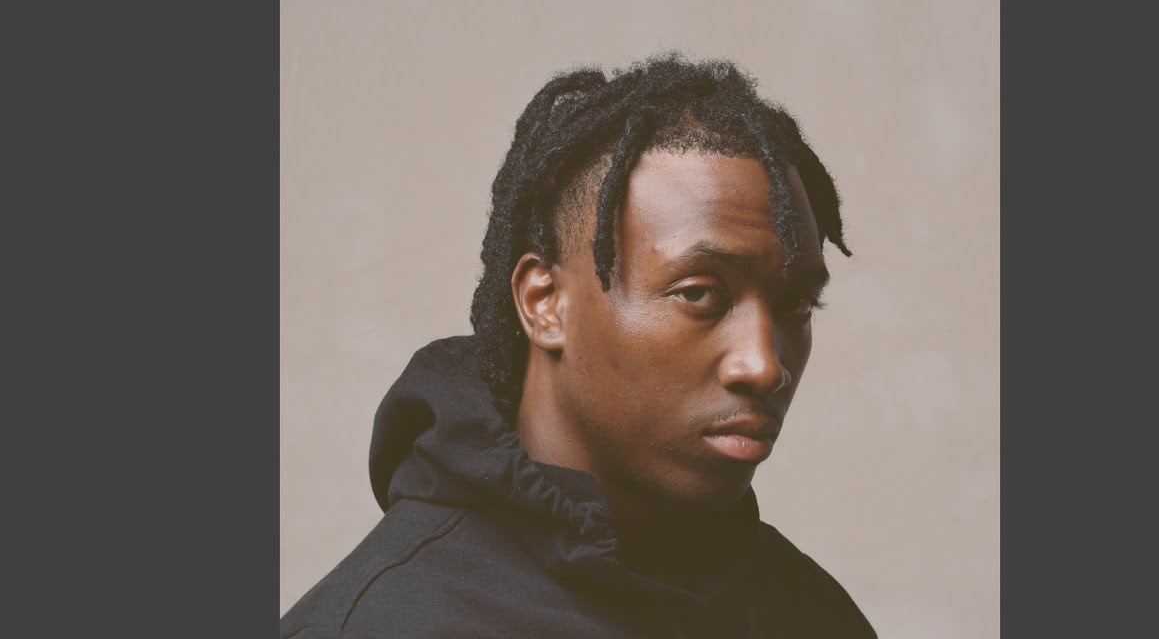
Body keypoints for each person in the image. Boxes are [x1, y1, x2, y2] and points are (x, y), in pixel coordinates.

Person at [281, 55, 877, 638]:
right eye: (700, 294)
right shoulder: (372, 625)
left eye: (796, 305)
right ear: (545, 303)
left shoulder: (814, 616)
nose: (765, 366)